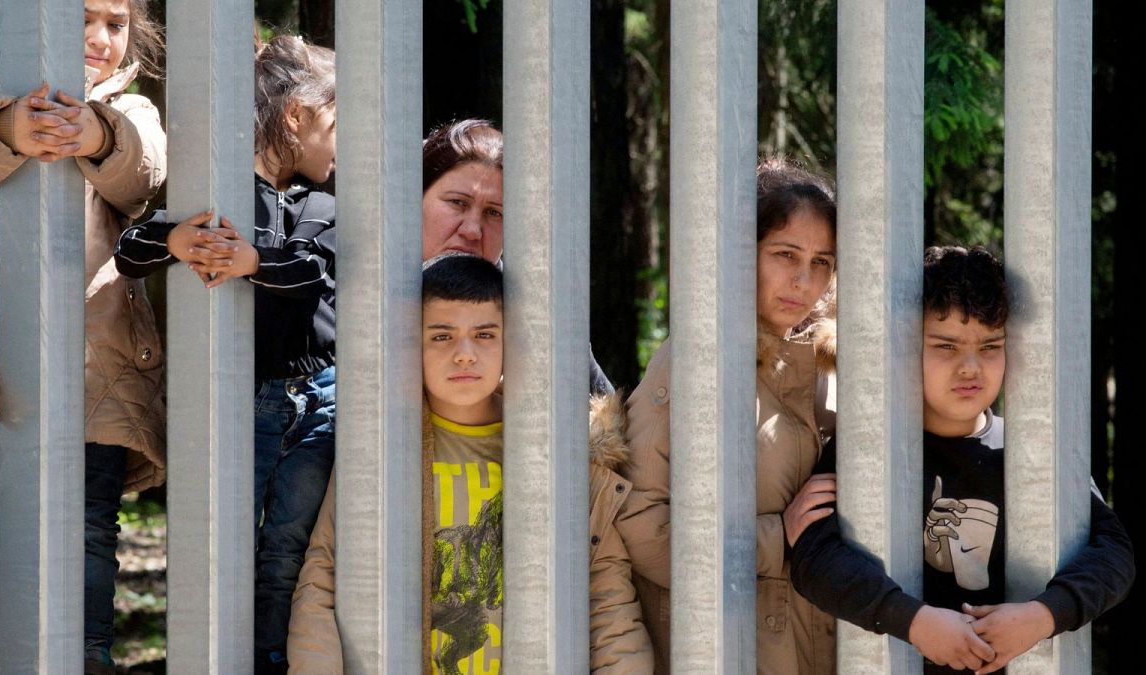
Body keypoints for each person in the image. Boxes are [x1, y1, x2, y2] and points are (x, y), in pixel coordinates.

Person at [285, 254, 652, 673]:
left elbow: (607, 595)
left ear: (510, 343)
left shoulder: (562, 456)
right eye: (442, 336)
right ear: (413, 345)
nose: (464, 354)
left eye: (484, 334)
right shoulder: (380, 447)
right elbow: (323, 575)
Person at [789, 246, 1135, 674]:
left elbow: (1115, 554)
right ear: (905, 348)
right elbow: (814, 559)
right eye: (945, 346)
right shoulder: (866, 449)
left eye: (990, 346)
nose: (970, 367)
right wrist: (915, 622)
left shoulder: (1037, 451)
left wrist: (1042, 615)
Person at [0, 1, 166, 672]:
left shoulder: (131, 108)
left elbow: (143, 175)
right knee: (0, 514)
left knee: (92, 519)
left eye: (116, 25)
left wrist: (97, 133)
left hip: (102, 351)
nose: (99, 38)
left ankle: (85, 653)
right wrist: (11, 124)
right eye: (82, 19)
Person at [112, 34, 337, 673]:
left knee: (290, 545)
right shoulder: (218, 192)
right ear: (296, 116)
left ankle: (273, 658)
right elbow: (130, 251)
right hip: (243, 399)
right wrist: (177, 240)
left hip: (319, 400)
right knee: (227, 540)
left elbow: (314, 273)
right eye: (337, 124)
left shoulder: (326, 203)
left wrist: (252, 261)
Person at [618, 157, 840, 673]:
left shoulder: (838, 369)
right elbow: (641, 525)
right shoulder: (694, 359)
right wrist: (776, 537)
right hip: (722, 651)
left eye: (822, 262)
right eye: (785, 255)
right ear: (742, 253)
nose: (803, 280)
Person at [421, 119, 614, 396]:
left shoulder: (542, 323)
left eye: (494, 212)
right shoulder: (364, 299)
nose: (472, 230)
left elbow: (604, 415)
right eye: (457, 203)